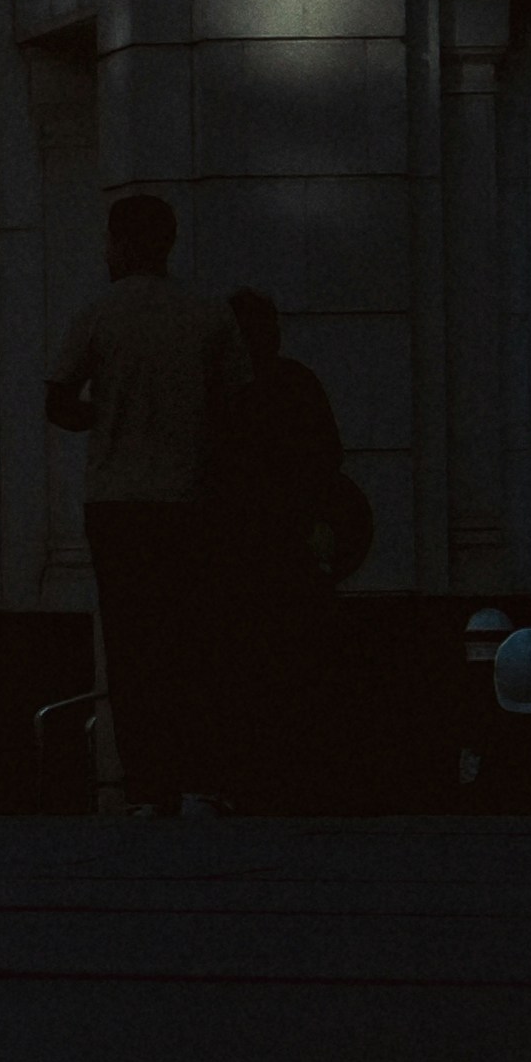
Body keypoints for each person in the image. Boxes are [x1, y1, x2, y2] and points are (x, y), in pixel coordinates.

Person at [46, 191, 227, 809]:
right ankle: (201, 778)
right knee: (192, 640)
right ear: (169, 243)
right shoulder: (207, 315)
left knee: (131, 645)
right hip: (189, 498)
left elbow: (59, 402)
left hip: (117, 502)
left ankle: (149, 785)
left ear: (120, 244)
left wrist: (108, 413)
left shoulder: (96, 314)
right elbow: (238, 405)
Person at [205, 289, 369, 802]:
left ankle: (256, 779)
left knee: (250, 669)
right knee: (300, 666)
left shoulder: (221, 392)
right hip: (293, 550)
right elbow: (328, 458)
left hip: (245, 554)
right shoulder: (296, 383)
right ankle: (304, 775)